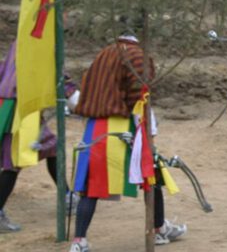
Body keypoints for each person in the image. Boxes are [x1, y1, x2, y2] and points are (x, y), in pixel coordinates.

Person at [69, 33, 186, 252]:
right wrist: (149, 132)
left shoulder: (104, 52)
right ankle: (158, 230)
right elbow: (139, 99)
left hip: (93, 128)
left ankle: (79, 241)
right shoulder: (136, 55)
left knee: (91, 186)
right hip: (121, 127)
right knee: (152, 175)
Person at [0, 41, 78, 233]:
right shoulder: (36, 42)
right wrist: (70, 92)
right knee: (14, 163)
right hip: (17, 111)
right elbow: (47, 74)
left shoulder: (21, 40)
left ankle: (67, 196)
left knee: (53, 148)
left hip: (16, 106)